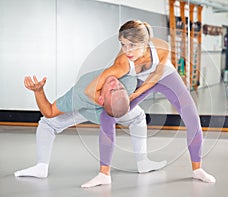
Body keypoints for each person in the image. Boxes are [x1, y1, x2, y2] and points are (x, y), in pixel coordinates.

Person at [81, 20, 216, 188]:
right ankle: (104, 174)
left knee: (192, 117)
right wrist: (103, 102)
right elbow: (90, 89)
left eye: (132, 45)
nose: (127, 51)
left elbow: (156, 76)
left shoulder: (161, 47)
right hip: (139, 81)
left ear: (145, 43)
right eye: (123, 45)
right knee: (107, 117)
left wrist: (136, 94)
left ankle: (197, 170)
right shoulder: (122, 63)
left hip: (166, 76)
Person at [14, 69, 166, 179]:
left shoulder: (127, 84)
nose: (116, 84)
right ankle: (41, 167)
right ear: (100, 99)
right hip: (86, 109)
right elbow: (49, 112)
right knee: (47, 123)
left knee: (138, 116)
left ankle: (143, 162)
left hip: (112, 108)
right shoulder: (82, 94)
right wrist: (38, 92)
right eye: (116, 89)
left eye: (118, 89)